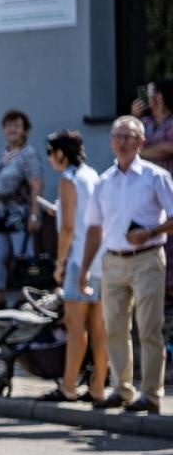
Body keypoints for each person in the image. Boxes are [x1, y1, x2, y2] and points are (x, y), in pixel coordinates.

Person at [79, 116, 173, 413]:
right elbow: (95, 229)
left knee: (148, 328)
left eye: (130, 136)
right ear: (111, 141)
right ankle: (122, 389)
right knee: (114, 328)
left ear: (142, 142)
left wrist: (150, 232)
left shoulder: (154, 176)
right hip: (113, 260)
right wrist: (83, 269)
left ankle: (152, 394)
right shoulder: (104, 181)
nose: (122, 141)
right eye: (118, 136)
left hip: (147, 258)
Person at [44, 130, 107, 403]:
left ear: (60, 153)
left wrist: (60, 263)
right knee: (99, 328)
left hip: (78, 260)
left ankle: (68, 386)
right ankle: (98, 387)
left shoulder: (67, 179)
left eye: (50, 152)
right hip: (100, 259)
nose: (49, 159)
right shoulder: (92, 175)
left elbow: (68, 227)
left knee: (75, 326)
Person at [0, 109, 44, 313]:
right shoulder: (3, 154)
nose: (12, 129)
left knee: (23, 256)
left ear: (25, 130)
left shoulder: (28, 153)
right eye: (8, 126)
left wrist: (35, 213)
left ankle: (24, 298)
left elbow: (36, 184)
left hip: (20, 211)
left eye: (16, 125)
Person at [131, 77, 173, 166]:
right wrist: (134, 117)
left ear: (159, 97)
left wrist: (137, 153)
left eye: (148, 93)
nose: (144, 96)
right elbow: (128, 142)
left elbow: (167, 150)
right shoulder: (144, 122)